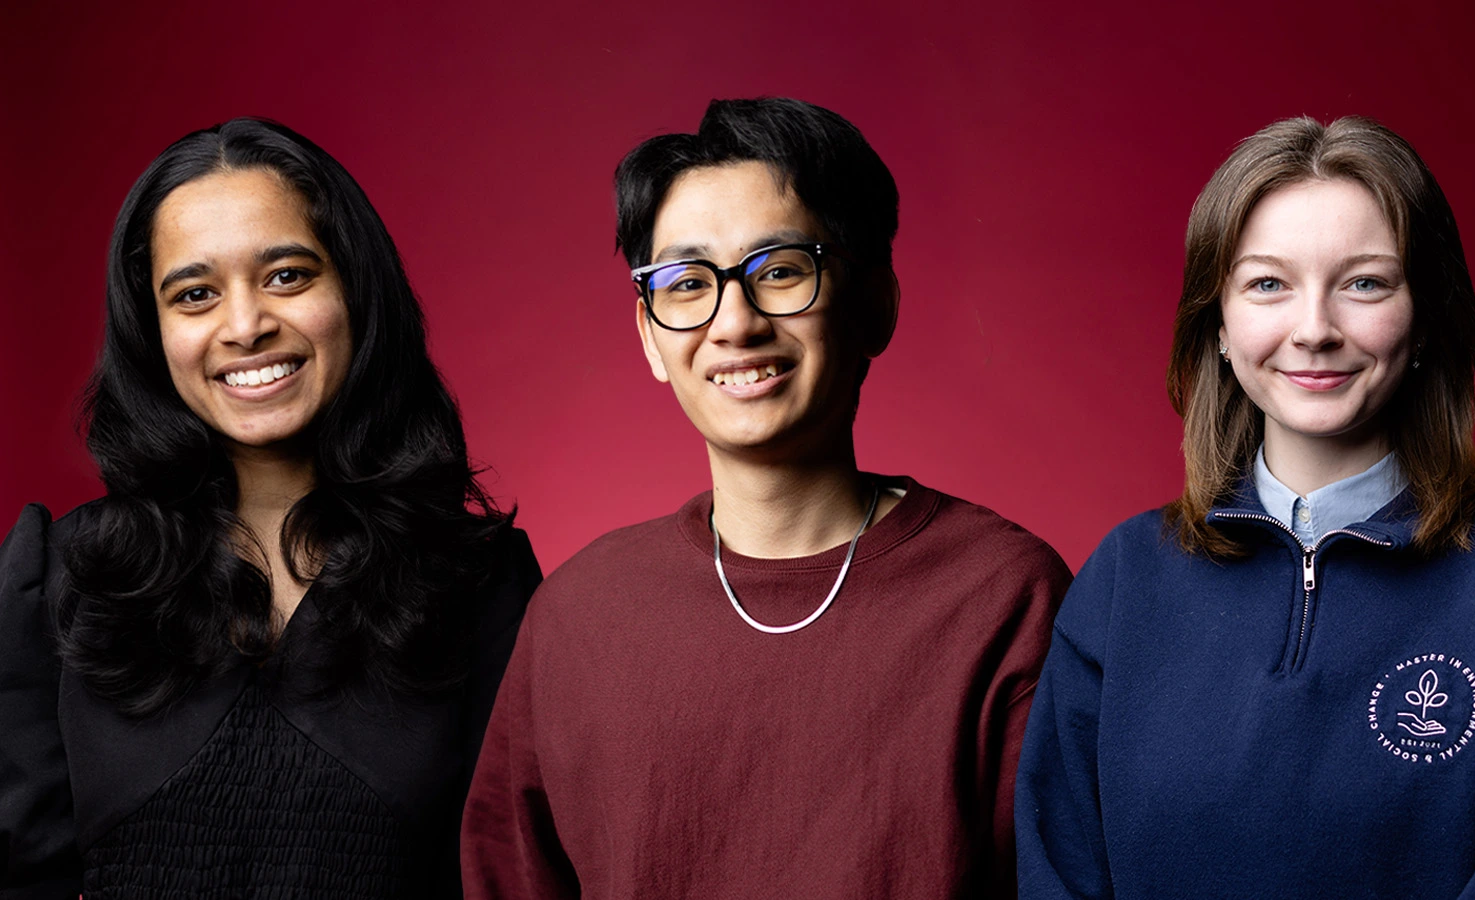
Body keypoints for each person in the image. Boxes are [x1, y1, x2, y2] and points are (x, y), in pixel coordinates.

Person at [461, 97, 1071, 899]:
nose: (734, 322)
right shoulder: (579, 615)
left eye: (780, 270)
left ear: (875, 303)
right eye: (686, 284)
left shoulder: (1003, 596)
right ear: (649, 334)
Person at [1015, 116, 1475, 898]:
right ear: (1218, 326)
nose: (1316, 329)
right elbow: (1059, 869)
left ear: (1423, 317)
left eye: (1365, 282)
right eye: (1268, 284)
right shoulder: (1124, 580)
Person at [0, 118, 540, 898]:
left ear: (355, 291)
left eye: (287, 275)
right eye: (194, 295)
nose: (246, 325)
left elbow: (516, 876)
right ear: (150, 332)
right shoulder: (56, 581)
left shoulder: (481, 586)